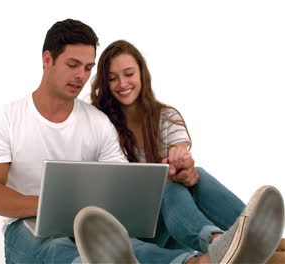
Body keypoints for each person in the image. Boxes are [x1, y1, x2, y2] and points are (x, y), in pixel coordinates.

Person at [73, 39, 285, 263]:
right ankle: (227, 243)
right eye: (113, 78)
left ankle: (249, 239)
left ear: (142, 74)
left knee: (193, 176)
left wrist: (184, 167)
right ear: (105, 83)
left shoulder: (164, 116)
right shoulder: (99, 123)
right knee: (167, 186)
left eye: (128, 74)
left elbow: (181, 155)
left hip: (175, 226)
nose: (122, 83)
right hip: (130, 233)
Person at [0, 19, 129, 263]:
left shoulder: (98, 123)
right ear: (47, 60)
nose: (81, 76)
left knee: (128, 247)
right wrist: (52, 206)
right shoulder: (7, 117)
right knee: (58, 248)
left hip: (83, 226)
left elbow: (123, 185)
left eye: (88, 68)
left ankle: (195, 260)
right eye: (73, 65)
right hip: (26, 227)